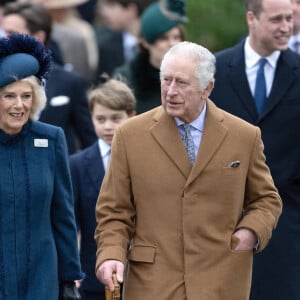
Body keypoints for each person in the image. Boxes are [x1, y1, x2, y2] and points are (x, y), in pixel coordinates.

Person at [94, 41, 282, 300]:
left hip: (221, 281)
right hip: (152, 284)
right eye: (166, 80)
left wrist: (249, 234)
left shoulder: (244, 136)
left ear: (208, 88)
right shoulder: (129, 135)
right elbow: (114, 211)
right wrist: (111, 255)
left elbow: (266, 200)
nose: (170, 91)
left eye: (181, 83)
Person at [209, 0, 300, 299]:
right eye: (276, 20)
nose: (286, 27)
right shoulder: (216, 70)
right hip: (219, 223)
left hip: (288, 224)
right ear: (252, 18)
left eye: (289, 18)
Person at [0, 33, 83, 299]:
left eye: (26, 95)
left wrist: (70, 277)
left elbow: (63, 215)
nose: (19, 105)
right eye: (9, 96)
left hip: (42, 278)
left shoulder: (50, 139)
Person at [70, 76, 136, 300]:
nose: (108, 126)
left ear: (132, 116)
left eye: (116, 118)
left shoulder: (144, 159)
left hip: (138, 272)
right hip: (92, 272)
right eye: (100, 119)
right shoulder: (77, 164)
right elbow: (72, 220)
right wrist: (72, 267)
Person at [2, 1, 97, 154]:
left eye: (12, 34)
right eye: (4, 33)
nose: (5, 40)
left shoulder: (71, 82)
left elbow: (90, 143)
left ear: (38, 37)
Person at [113, 0, 186, 114]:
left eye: (176, 37)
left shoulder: (192, 76)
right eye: (163, 38)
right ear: (145, 42)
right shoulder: (126, 79)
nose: (172, 44)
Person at [95, 0, 154, 78]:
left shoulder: (155, 42)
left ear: (131, 9)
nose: (105, 13)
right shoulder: (105, 46)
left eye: (112, 6)